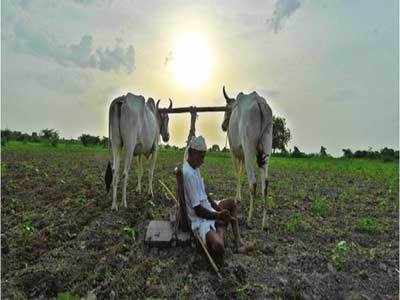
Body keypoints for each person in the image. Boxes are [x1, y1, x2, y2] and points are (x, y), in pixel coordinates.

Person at [182, 135, 253, 263]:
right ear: (192, 153)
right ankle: (220, 227)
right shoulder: (187, 174)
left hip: (208, 209)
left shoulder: (195, 168)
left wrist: (216, 208)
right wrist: (218, 216)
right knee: (218, 246)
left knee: (232, 202)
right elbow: (198, 210)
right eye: (201, 157)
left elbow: (205, 194)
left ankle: (238, 242)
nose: (203, 161)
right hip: (200, 220)